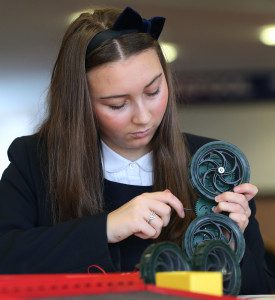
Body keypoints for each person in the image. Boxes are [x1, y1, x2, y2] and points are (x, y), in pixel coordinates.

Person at [0, 6, 273, 295]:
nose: (143, 117)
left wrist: (231, 244)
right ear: (80, 104)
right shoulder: (34, 161)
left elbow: (261, 289)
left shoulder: (213, 165)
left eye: (153, 92)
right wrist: (106, 227)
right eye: (117, 104)